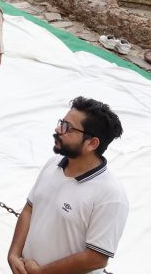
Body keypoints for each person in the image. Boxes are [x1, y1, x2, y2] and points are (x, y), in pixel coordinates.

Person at [8, 97, 128, 274]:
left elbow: (96, 258)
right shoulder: (53, 164)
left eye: (68, 128)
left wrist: (41, 272)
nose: (58, 129)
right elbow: (29, 209)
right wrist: (14, 254)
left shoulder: (111, 196)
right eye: (61, 123)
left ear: (92, 143)